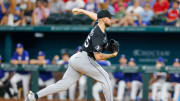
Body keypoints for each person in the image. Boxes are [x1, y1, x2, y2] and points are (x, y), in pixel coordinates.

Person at [25, 8, 118, 101]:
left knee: (63, 85)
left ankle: (34, 96)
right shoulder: (99, 34)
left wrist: (82, 11)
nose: (111, 20)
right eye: (110, 18)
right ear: (104, 19)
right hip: (85, 59)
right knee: (105, 78)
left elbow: (95, 16)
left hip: (77, 58)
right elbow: (98, 56)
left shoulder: (98, 25)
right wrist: (112, 55)